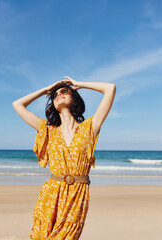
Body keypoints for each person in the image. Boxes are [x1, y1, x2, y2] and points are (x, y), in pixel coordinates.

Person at [12, 76, 116, 239]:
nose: (58, 94)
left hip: (77, 194)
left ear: (74, 99)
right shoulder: (47, 130)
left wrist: (79, 84)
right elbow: (18, 104)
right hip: (52, 192)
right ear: (53, 104)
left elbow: (110, 88)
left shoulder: (90, 127)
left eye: (64, 91)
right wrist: (45, 90)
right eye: (55, 95)